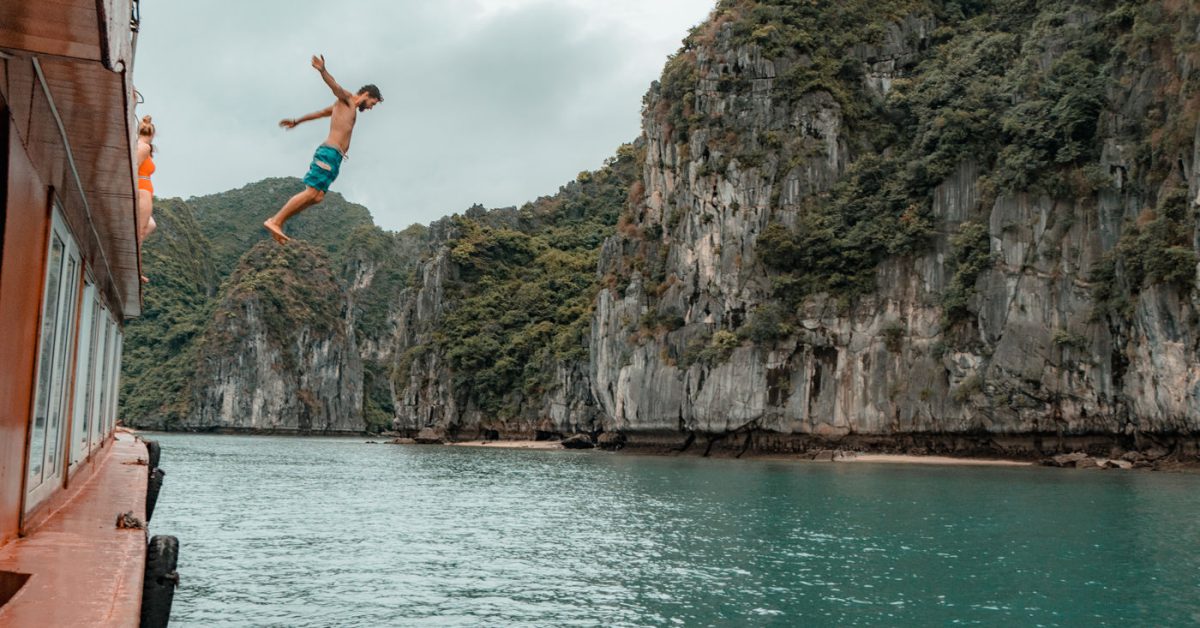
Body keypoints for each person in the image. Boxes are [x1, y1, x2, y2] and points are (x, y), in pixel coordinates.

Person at [263, 55, 383, 243]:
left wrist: (297, 121)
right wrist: (323, 71)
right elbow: (335, 87)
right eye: (373, 103)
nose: (371, 108)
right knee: (311, 192)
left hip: (335, 157)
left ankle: (279, 221)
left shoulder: (343, 108)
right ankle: (275, 220)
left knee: (317, 197)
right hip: (328, 152)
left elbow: (320, 113)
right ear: (367, 95)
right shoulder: (347, 100)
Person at [136, 115, 156, 283]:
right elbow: (133, 167)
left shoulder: (140, 146)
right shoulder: (144, 148)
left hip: (144, 191)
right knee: (140, 230)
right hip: (143, 192)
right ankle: (137, 269)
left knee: (150, 225)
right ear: (152, 135)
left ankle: (136, 266)